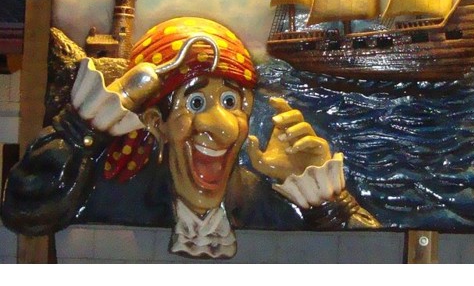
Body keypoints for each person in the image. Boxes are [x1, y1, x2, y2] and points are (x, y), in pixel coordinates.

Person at [1, 17, 378, 259]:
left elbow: (373, 263)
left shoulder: (268, 202)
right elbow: (26, 212)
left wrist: (326, 200)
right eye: (195, 102)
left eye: (231, 102)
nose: (222, 127)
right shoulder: (114, 193)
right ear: (156, 122)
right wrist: (81, 130)